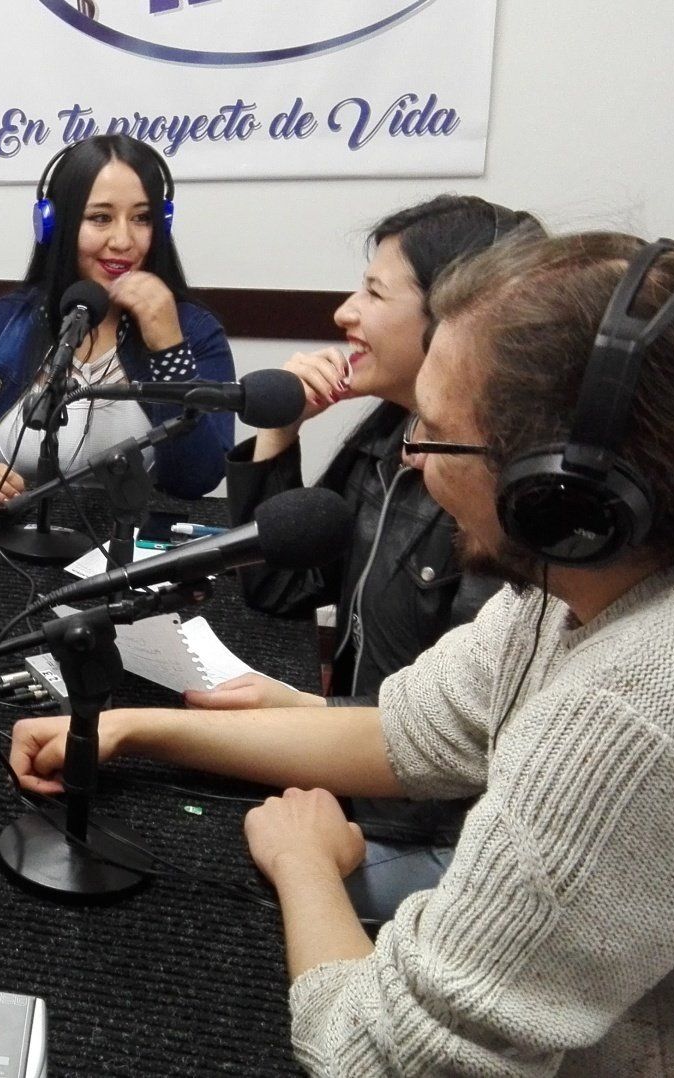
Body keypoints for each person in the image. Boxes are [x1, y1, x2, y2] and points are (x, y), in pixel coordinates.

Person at [12, 232, 674, 1072]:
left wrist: (305, 865)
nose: (409, 457)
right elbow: (398, 735)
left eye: (436, 434)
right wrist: (135, 729)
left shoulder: (631, 716)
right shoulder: (584, 593)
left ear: (558, 492)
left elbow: (374, 1060)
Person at [198, 195, 542, 918]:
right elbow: (281, 592)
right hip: (352, 776)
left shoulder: (496, 497)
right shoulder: (391, 434)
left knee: (211, 879)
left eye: (374, 292)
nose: (344, 314)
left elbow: (467, 738)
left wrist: (308, 714)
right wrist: (280, 431)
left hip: (427, 832)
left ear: (458, 318)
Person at [0, 134, 235, 512]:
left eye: (142, 218)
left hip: (128, 551)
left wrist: (169, 350)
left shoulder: (196, 332)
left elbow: (196, 480)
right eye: (100, 218)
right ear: (55, 224)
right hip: (9, 541)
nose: (123, 240)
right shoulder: (2, 323)